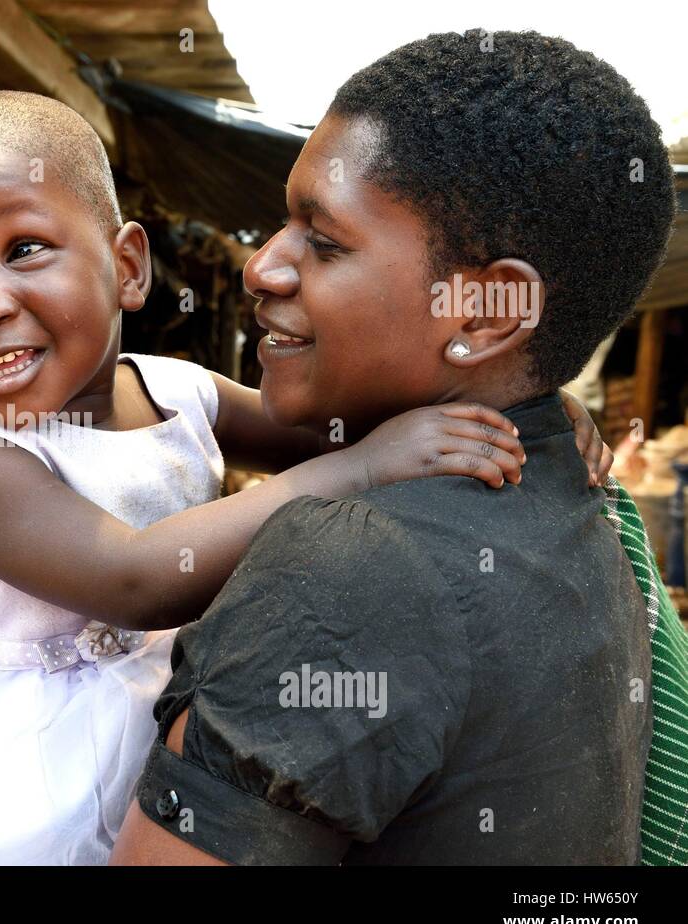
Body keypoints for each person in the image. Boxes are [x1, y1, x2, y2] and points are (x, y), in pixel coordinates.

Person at [0, 91, 610, 865]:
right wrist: (368, 466)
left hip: (147, 732)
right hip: (2, 786)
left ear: (127, 267)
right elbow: (135, 578)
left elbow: (333, 425)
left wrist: (521, 401)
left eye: (24, 250)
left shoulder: (174, 390)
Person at [111, 30, 680, 865]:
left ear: (484, 313)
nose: (262, 267)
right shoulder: (584, 499)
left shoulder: (350, 562)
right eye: (283, 222)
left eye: (326, 241)